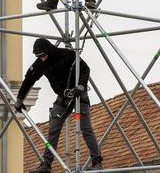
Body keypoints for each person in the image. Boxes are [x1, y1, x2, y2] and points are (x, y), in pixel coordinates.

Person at [14, 38, 103, 172]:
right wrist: (20, 98)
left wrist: (81, 85)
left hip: (79, 95)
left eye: (43, 55)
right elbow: (29, 79)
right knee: (53, 129)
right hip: (63, 97)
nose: (42, 59)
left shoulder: (67, 55)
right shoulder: (40, 63)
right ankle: (46, 164)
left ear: (48, 51)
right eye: (39, 57)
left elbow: (85, 69)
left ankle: (97, 161)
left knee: (85, 128)